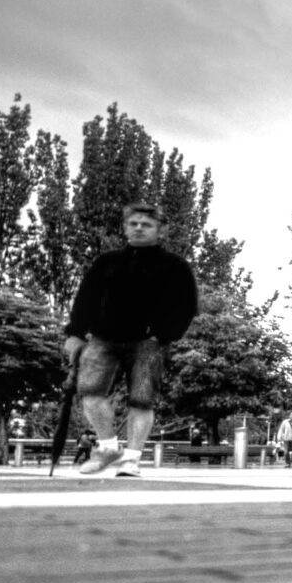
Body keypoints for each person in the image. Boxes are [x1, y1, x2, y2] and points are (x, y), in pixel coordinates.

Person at [62, 202, 201, 479]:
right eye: (133, 223)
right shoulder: (106, 263)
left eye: (146, 224)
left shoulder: (175, 267)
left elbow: (186, 306)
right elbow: (85, 298)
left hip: (148, 342)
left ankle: (132, 459)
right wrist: (75, 334)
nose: (139, 228)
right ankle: (108, 447)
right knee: (90, 391)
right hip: (103, 338)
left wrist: (163, 334)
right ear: (125, 227)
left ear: (160, 231)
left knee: (142, 400)